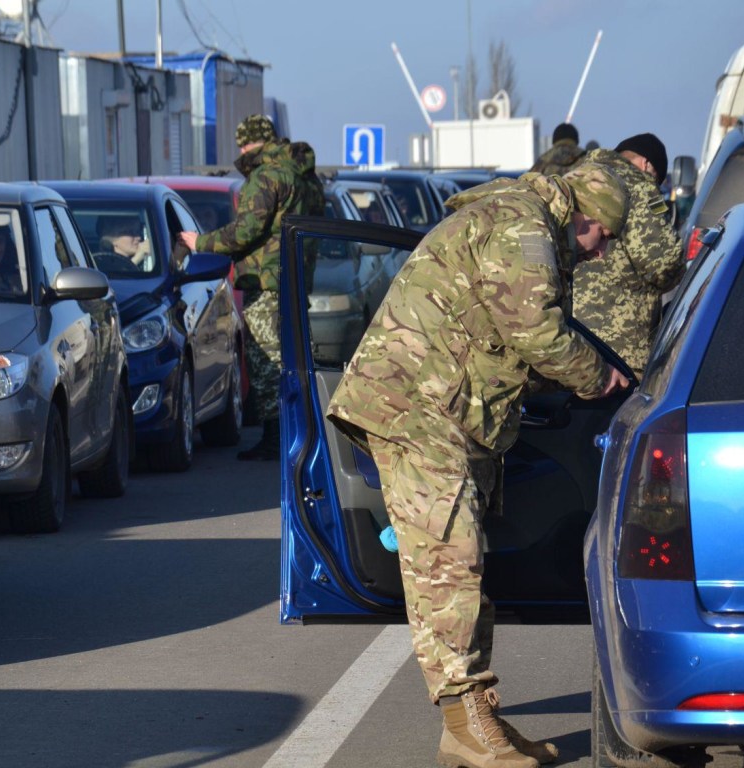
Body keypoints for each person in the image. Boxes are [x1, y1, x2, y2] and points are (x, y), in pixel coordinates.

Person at [326, 163, 631, 768]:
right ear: (587, 220)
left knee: (466, 566)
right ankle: (463, 728)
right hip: (415, 409)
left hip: (442, 411)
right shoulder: (525, 228)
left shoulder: (523, 221)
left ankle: (478, 718)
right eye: (605, 240)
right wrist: (602, 380)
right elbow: (537, 333)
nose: (602, 255)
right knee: (449, 566)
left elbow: (505, 332)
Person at [179, 114, 325, 460]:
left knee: (264, 359)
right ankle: (299, 431)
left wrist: (200, 242)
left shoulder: (265, 177)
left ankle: (277, 438)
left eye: (242, 144)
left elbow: (245, 232)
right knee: (292, 358)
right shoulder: (304, 176)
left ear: (248, 143)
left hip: (267, 281)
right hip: (295, 278)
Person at [573, 133, 685, 379]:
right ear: (647, 164)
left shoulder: (579, 178)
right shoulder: (639, 186)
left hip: (570, 343)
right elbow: (663, 263)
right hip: (620, 349)